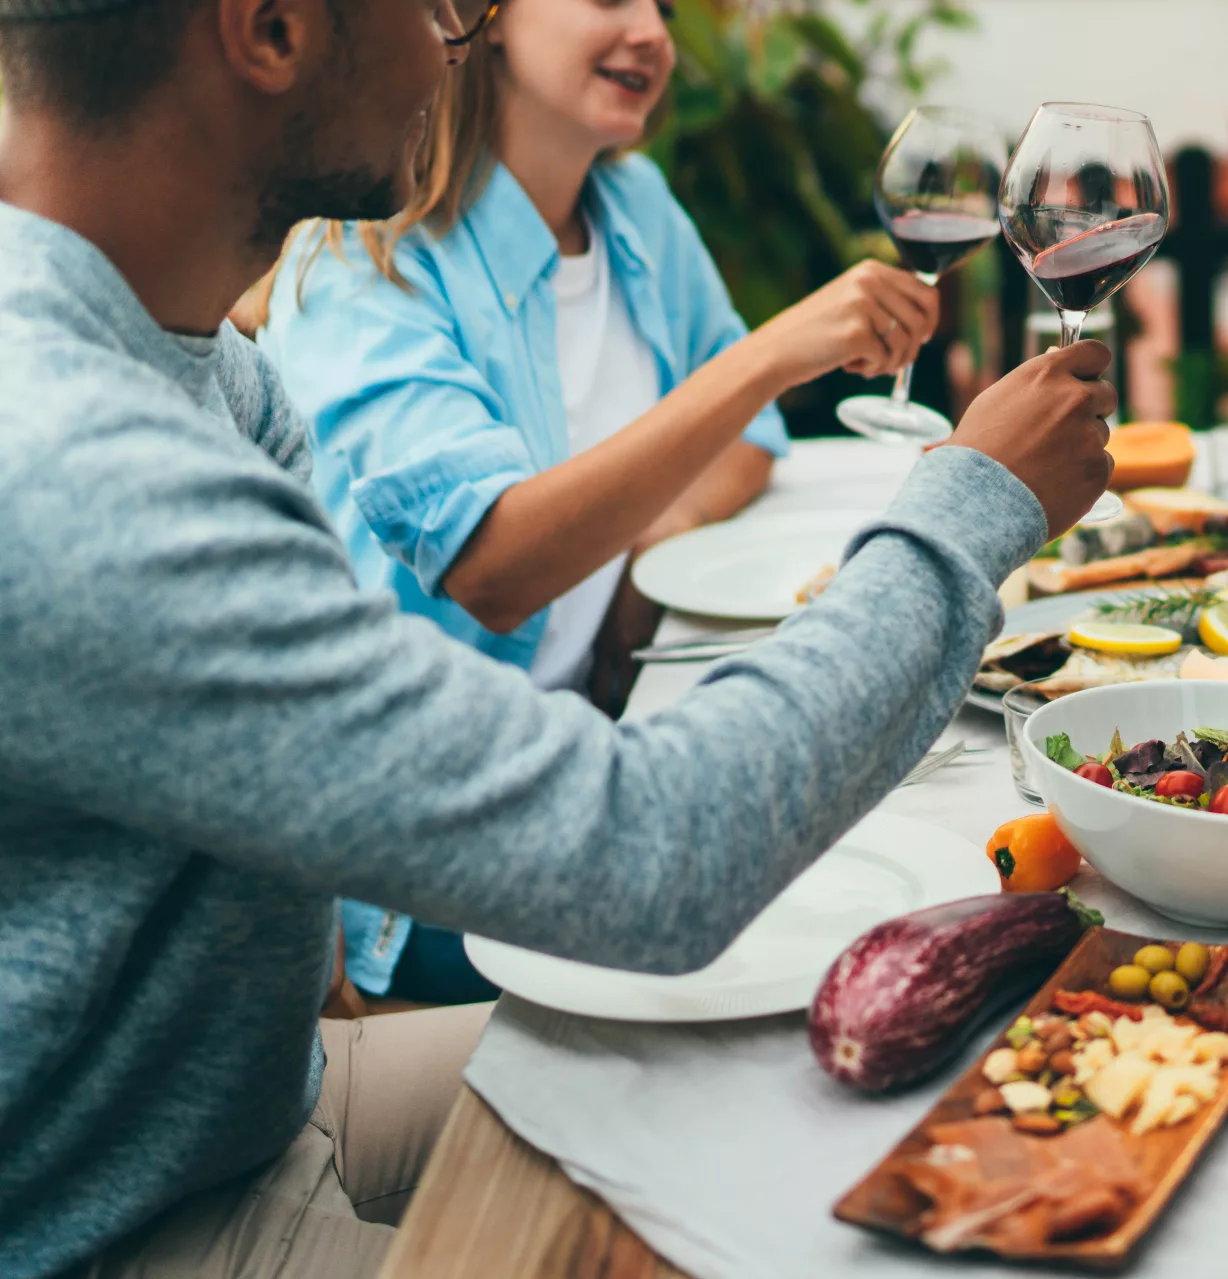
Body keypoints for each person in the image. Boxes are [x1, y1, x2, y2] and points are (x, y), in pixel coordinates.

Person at [0, 0, 1113, 1266]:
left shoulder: (194, 359)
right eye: (437, 6)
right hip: (111, 1219)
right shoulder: (72, 465)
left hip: (258, 1104)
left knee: (869, 1055)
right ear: (269, 31)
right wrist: (968, 513)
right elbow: (650, 853)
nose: (448, 47)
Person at [250, 0, 937, 1005]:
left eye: (660, 5)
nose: (652, 33)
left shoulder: (634, 206)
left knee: (886, 884)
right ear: (478, 17)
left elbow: (746, 443)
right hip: (432, 859)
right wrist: (765, 357)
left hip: (592, 759)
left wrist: (654, 537)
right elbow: (494, 568)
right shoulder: (363, 261)